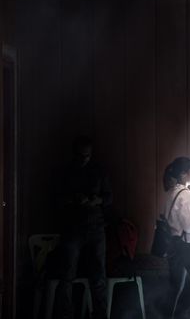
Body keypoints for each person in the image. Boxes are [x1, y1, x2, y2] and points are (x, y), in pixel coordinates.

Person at [55, 136, 112, 319]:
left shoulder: (99, 170)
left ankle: (100, 315)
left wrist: (97, 200)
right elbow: (57, 199)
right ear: (75, 154)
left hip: (96, 226)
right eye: (81, 156)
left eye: (87, 155)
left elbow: (109, 197)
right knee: (67, 275)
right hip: (72, 228)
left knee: (98, 276)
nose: (84, 159)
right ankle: (66, 315)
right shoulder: (66, 172)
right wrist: (74, 200)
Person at [162, 157, 190, 318]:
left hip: (173, 245)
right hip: (186, 246)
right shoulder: (185, 194)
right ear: (184, 174)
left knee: (175, 288)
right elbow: (189, 227)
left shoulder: (172, 192)